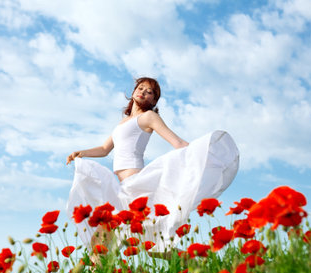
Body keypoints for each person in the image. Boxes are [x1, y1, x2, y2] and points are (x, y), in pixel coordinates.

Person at [66, 77, 239, 257]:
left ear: (154, 101)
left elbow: (177, 142)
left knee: (110, 235)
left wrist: (202, 155)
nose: (143, 92)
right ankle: (198, 263)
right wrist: (81, 153)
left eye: (150, 92)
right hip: (124, 187)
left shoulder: (149, 117)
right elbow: (104, 149)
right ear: (133, 92)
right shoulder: (122, 123)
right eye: (140, 88)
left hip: (137, 186)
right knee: (149, 247)